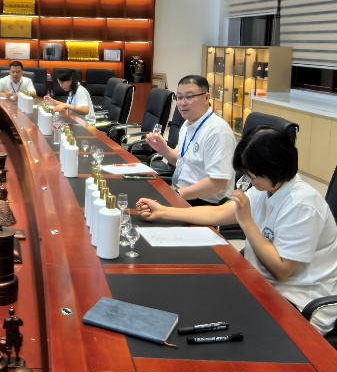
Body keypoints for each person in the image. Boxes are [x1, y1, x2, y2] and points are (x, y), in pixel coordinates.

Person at [137, 127, 337, 335]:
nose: (249, 180)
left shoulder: (303, 205)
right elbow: (219, 213)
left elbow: (281, 270)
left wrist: (246, 221)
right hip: (259, 283)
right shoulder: (267, 188)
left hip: (296, 301)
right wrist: (164, 211)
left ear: (273, 169)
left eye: (252, 174)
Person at [144, 74, 235, 204]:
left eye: (189, 97)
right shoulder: (187, 125)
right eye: (179, 97)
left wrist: (177, 195)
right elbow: (180, 161)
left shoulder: (218, 131)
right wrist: (163, 149)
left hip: (204, 203)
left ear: (206, 98)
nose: (182, 103)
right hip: (182, 193)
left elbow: (219, 182)